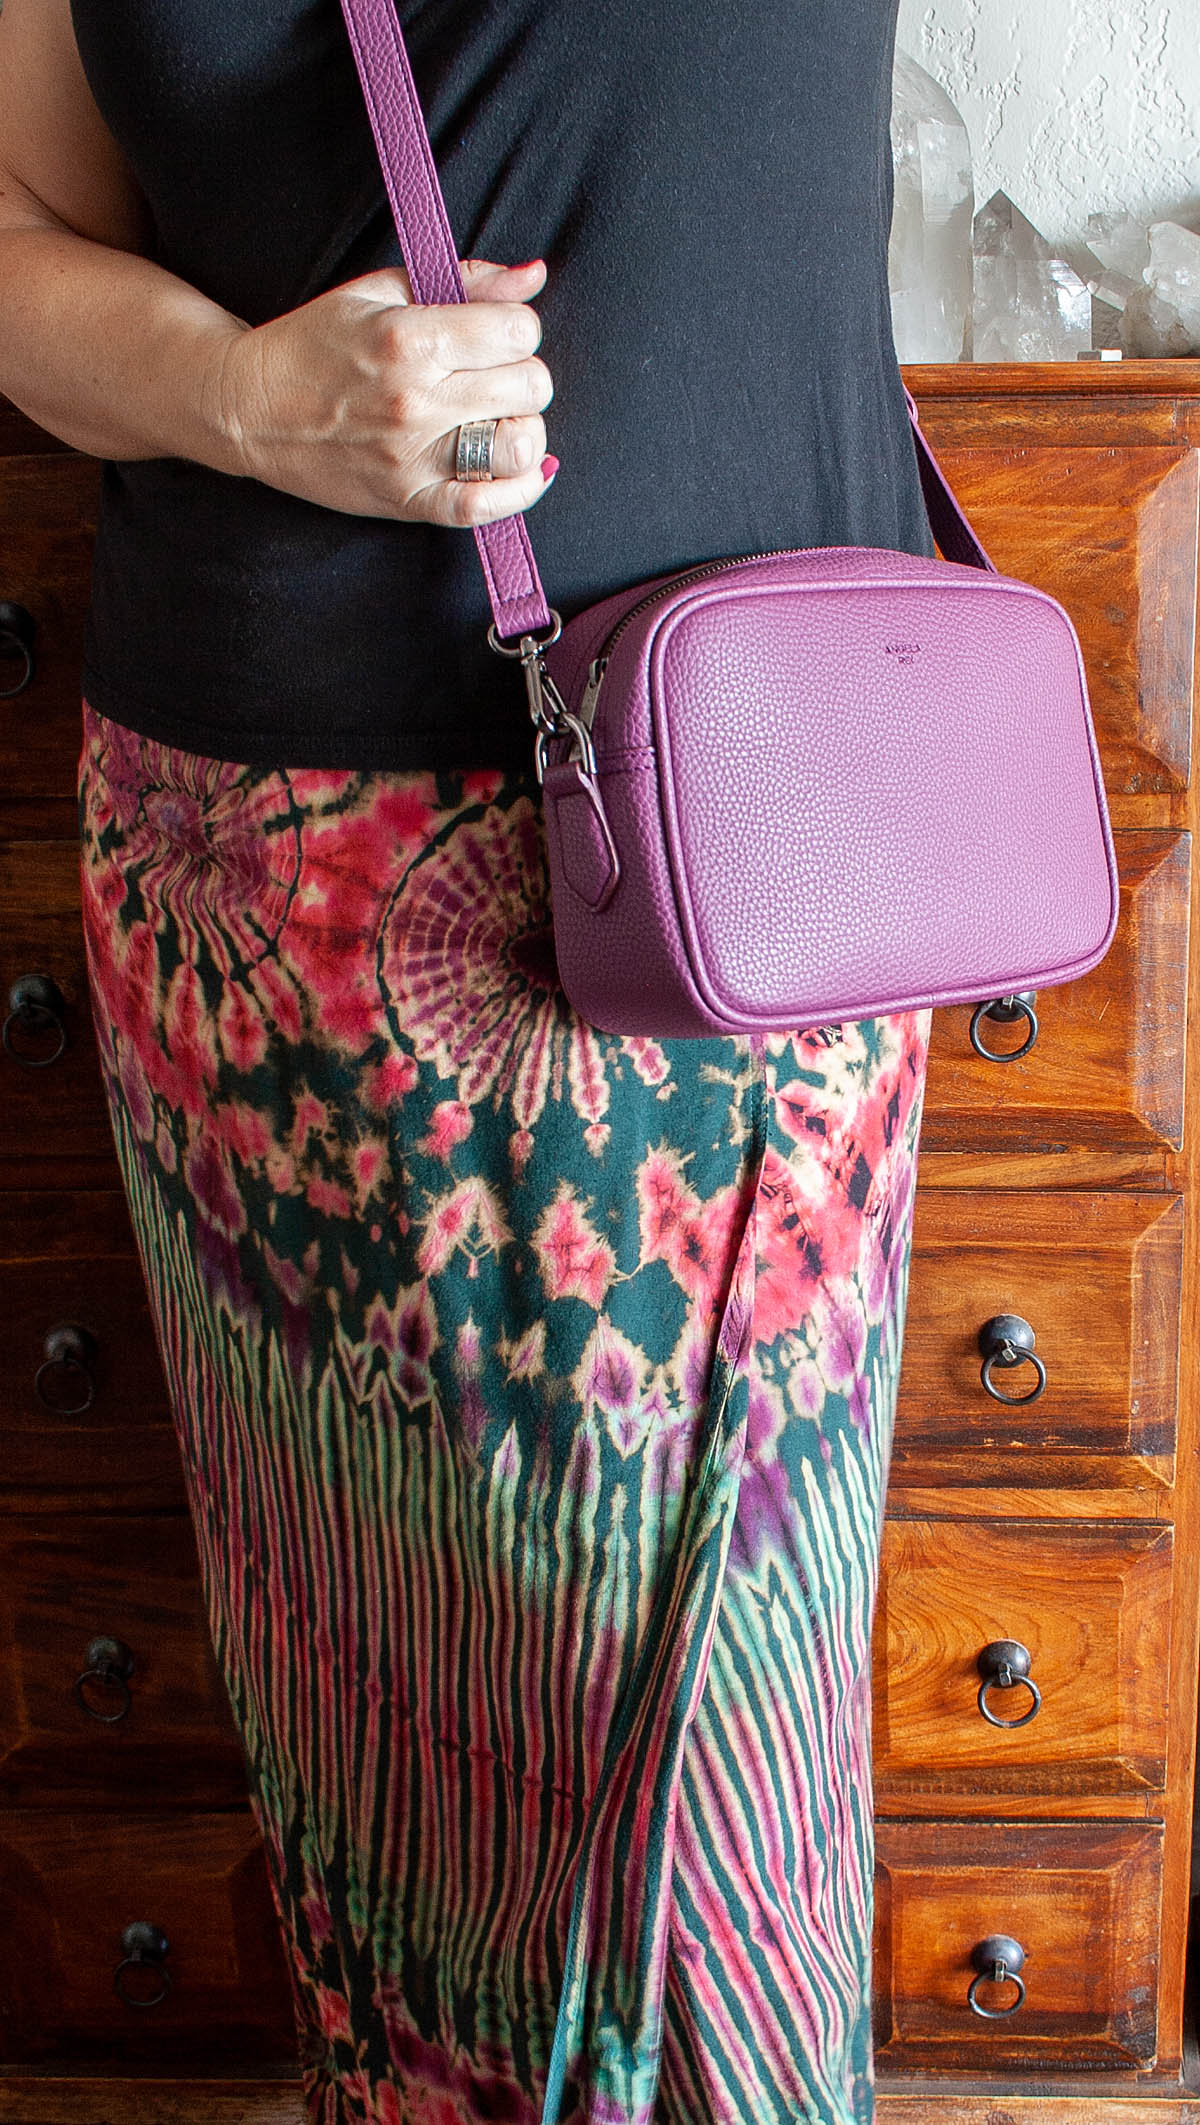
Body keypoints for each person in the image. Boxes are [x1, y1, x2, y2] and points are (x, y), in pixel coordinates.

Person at [0, 3, 932, 2120]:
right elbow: (19, 239)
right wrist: (244, 393)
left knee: (702, 1811)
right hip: (251, 887)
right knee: (392, 1787)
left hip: (732, 865)